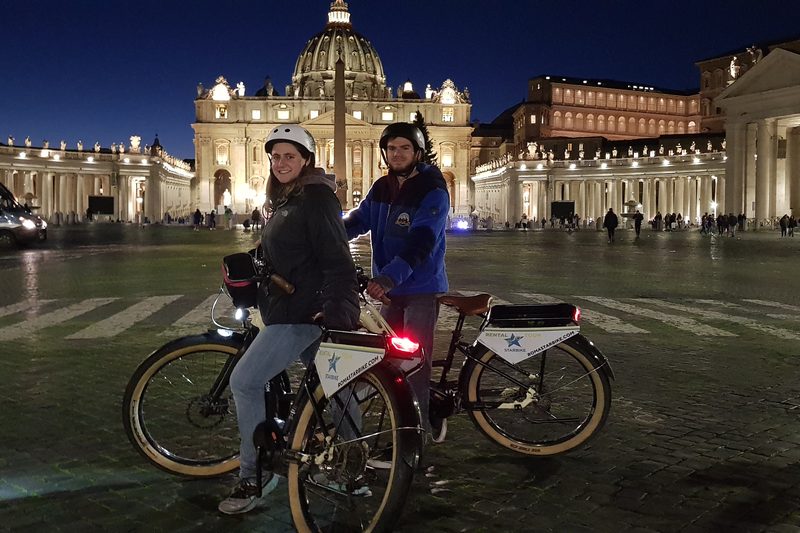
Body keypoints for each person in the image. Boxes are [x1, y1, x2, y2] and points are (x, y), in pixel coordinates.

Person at [219, 125, 359, 515]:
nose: (281, 163)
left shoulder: (315, 199)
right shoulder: (287, 197)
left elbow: (337, 260)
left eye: (290, 156)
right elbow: (291, 250)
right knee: (337, 387)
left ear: (306, 160)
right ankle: (353, 466)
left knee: (244, 382)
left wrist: (338, 309)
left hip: (303, 312)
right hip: (293, 306)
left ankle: (254, 476)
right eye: (276, 157)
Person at [343, 122, 450, 444]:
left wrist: (389, 276)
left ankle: (414, 433)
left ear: (417, 152)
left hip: (419, 286)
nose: (397, 154)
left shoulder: (433, 189)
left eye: (404, 148)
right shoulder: (381, 187)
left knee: (414, 359)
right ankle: (408, 410)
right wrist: (323, 241)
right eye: (392, 149)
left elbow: (422, 240)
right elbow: (357, 222)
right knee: (388, 355)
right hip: (390, 290)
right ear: (385, 153)